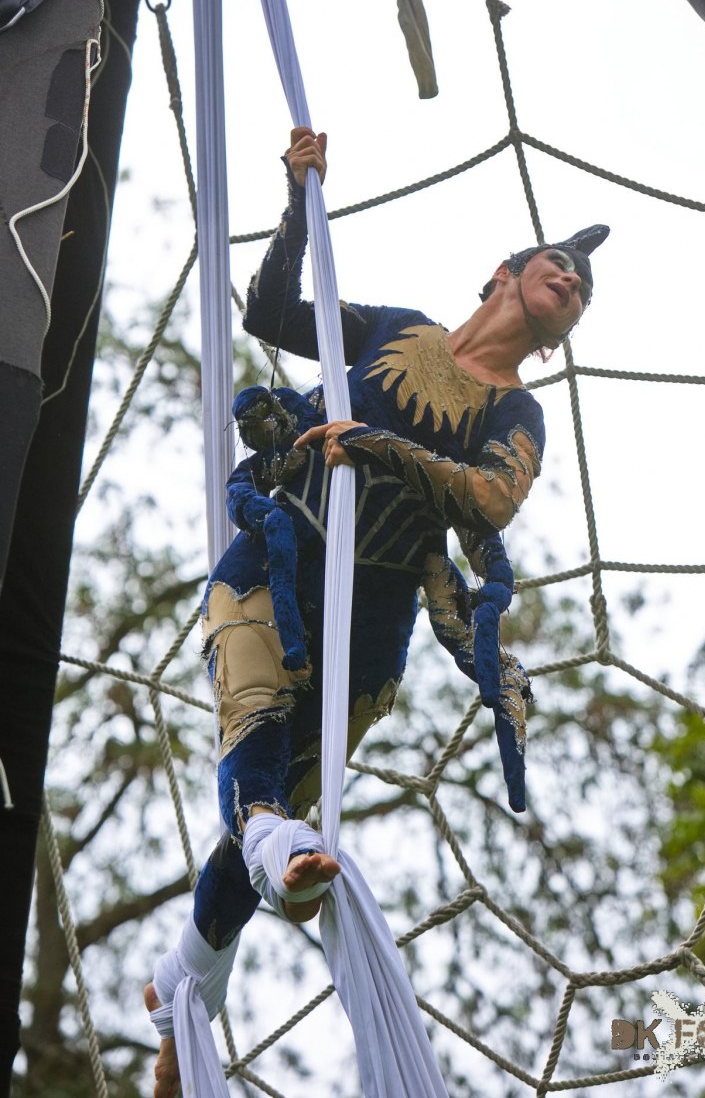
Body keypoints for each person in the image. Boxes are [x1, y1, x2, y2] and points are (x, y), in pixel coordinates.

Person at [145, 128, 609, 1098]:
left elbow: (490, 500)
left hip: (377, 611)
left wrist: (378, 446)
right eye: (558, 266)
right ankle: (255, 874)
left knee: (281, 802)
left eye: (581, 291)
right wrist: (297, 198)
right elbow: (273, 310)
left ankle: (187, 982)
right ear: (503, 274)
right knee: (257, 743)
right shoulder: (398, 329)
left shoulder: (515, 414)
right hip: (281, 549)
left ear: (560, 334)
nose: (571, 281)